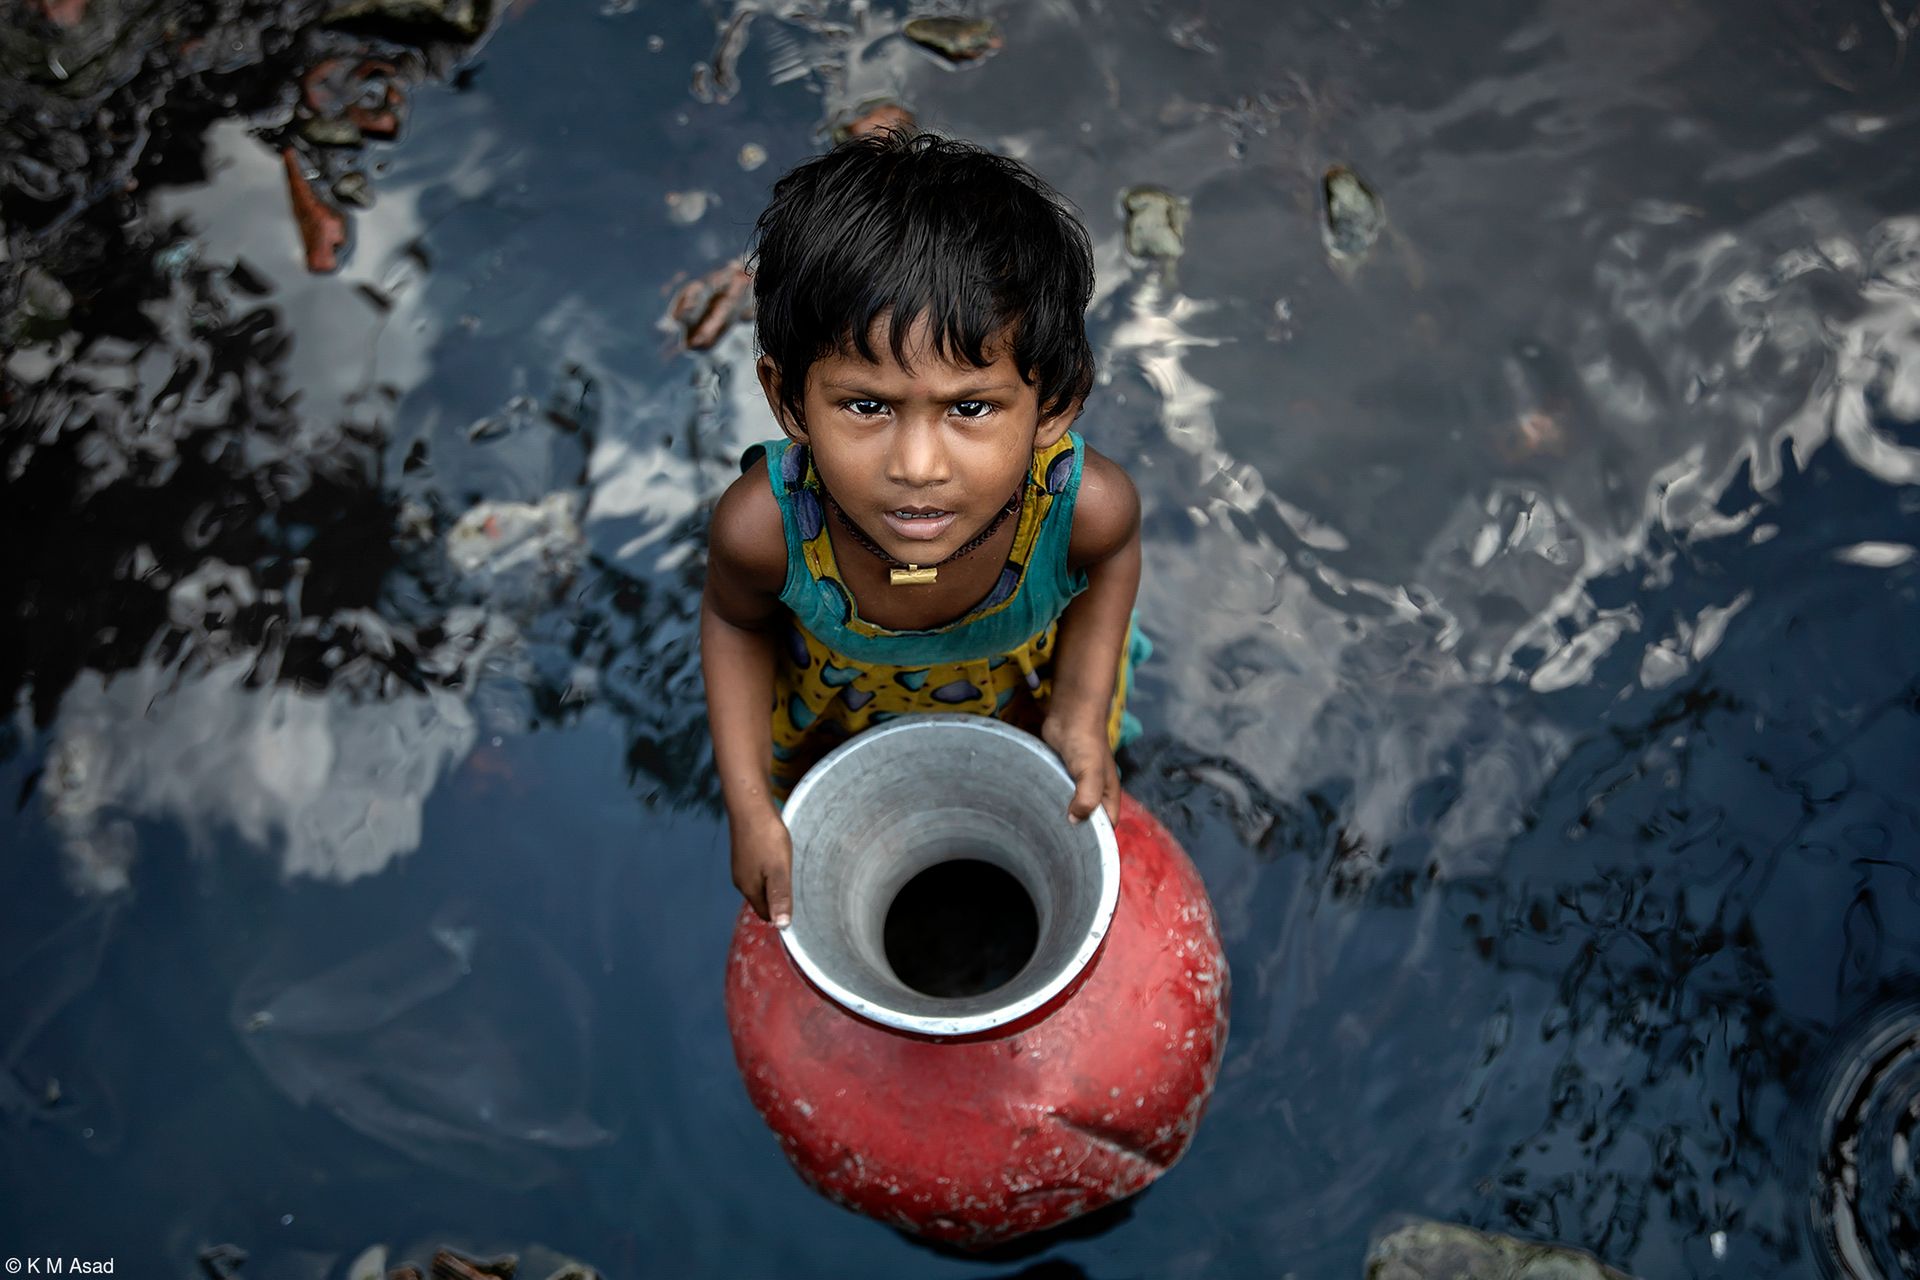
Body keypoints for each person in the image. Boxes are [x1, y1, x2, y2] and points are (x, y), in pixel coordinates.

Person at [700, 129, 1149, 928]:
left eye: (970, 408)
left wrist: (1080, 711)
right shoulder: (764, 530)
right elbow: (735, 622)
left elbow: (1114, 563)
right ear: (787, 399)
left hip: (1018, 702)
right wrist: (747, 809)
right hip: (840, 719)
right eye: (866, 405)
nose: (916, 465)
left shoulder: (1084, 511)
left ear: (1053, 404)